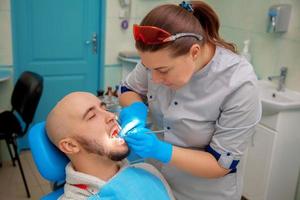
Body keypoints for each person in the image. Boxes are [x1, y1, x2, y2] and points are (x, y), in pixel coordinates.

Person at [118, 1, 261, 200]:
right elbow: (128, 88)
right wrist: (135, 109)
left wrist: (159, 149)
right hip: (157, 182)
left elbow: (220, 164)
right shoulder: (156, 60)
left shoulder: (239, 84)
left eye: (162, 71)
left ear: (194, 52)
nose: (154, 78)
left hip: (205, 193)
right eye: (148, 69)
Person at [46, 92, 175, 200]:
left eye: (104, 108)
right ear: (70, 145)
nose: (112, 116)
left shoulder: (147, 171)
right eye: (92, 116)